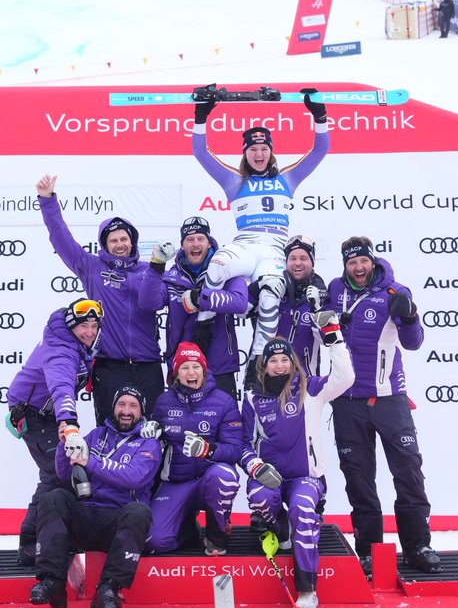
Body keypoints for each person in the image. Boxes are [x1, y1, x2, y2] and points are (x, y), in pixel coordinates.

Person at [191, 86, 330, 387]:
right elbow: (201, 153)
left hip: (274, 251)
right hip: (247, 244)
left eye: (264, 148)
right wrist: (201, 116)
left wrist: (318, 115)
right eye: (253, 149)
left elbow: (320, 150)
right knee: (217, 265)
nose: (258, 153)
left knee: (270, 296)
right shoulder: (234, 180)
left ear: (271, 151)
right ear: (245, 153)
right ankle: (205, 324)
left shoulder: (287, 178)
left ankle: (257, 363)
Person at [330, 237, 440, 577]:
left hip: (389, 398)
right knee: (358, 479)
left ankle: (417, 545)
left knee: (408, 471)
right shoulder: (334, 289)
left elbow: (414, 343)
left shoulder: (395, 292)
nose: (358, 268)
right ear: (345, 266)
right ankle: (368, 552)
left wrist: (409, 318)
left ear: (373, 262)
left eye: (363, 262)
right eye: (352, 263)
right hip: (348, 400)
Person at [240, 328, 354, 608]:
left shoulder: (310, 388)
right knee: (260, 498)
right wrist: (255, 466)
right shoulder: (254, 399)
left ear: (292, 362)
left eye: (284, 359)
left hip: (306, 477)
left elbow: (345, 378)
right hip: (271, 477)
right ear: (264, 365)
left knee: (302, 509)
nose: (279, 365)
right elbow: (242, 444)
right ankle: (280, 529)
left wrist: (334, 339)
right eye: (273, 360)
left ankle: (307, 589)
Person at [37, 174, 166, 426]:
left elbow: (156, 303)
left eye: (124, 239)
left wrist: (156, 270)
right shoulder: (91, 267)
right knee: (108, 430)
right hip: (109, 365)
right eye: (113, 240)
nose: (120, 244)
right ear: (105, 245)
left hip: (148, 365)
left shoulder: (149, 271)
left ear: (132, 241)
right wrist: (47, 200)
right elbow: (61, 238)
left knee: (153, 432)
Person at [28, 385, 162, 608]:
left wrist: (90, 460)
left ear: (141, 412)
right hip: (87, 515)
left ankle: (108, 589)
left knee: (140, 511)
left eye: (133, 406)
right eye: (122, 404)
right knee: (53, 498)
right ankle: (52, 581)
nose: (126, 411)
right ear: (114, 408)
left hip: (119, 523)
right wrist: (64, 445)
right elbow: (62, 471)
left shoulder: (148, 443)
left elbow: (134, 476)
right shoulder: (96, 435)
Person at [6, 298, 104, 566]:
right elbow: (61, 387)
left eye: (94, 326)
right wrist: (69, 422)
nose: (90, 332)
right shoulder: (61, 351)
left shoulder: (77, 343)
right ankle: (30, 544)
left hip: (49, 414)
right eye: (84, 325)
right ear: (72, 325)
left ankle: (50, 537)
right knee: (56, 474)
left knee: (58, 475)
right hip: (35, 414)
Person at [145, 342, 244, 556]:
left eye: (196, 367)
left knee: (224, 475)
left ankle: (216, 537)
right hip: (177, 482)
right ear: (176, 374)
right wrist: (152, 432)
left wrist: (208, 449)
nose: (191, 372)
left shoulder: (224, 401)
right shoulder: (164, 402)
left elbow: (235, 449)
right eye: (184, 368)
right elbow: (157, 441)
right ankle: (188, 528)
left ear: (204, 370)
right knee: (153, 541)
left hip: (209, 480)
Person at [144, 216, 248, 398]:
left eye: (200, 239)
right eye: (190, 239)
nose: (195, 244)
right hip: (182, 366)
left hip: (219, 365)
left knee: (224, 423)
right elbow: (149, 303)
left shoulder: (227, 269)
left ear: (209, 243)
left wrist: (201, 298)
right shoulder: (171, 277)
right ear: (182, 245)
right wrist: (156, 266)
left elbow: (239, 302)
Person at [270, 235, 333, 377]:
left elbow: (327, 340)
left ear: (312, 262)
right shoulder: (274, 289)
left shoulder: (322, 294)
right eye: (292, 258)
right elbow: (244, 310)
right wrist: (258, 287)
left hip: (306, 381)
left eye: (303, 258)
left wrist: (317, 308)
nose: (297, 263)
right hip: (271, 380)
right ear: (286, 262)